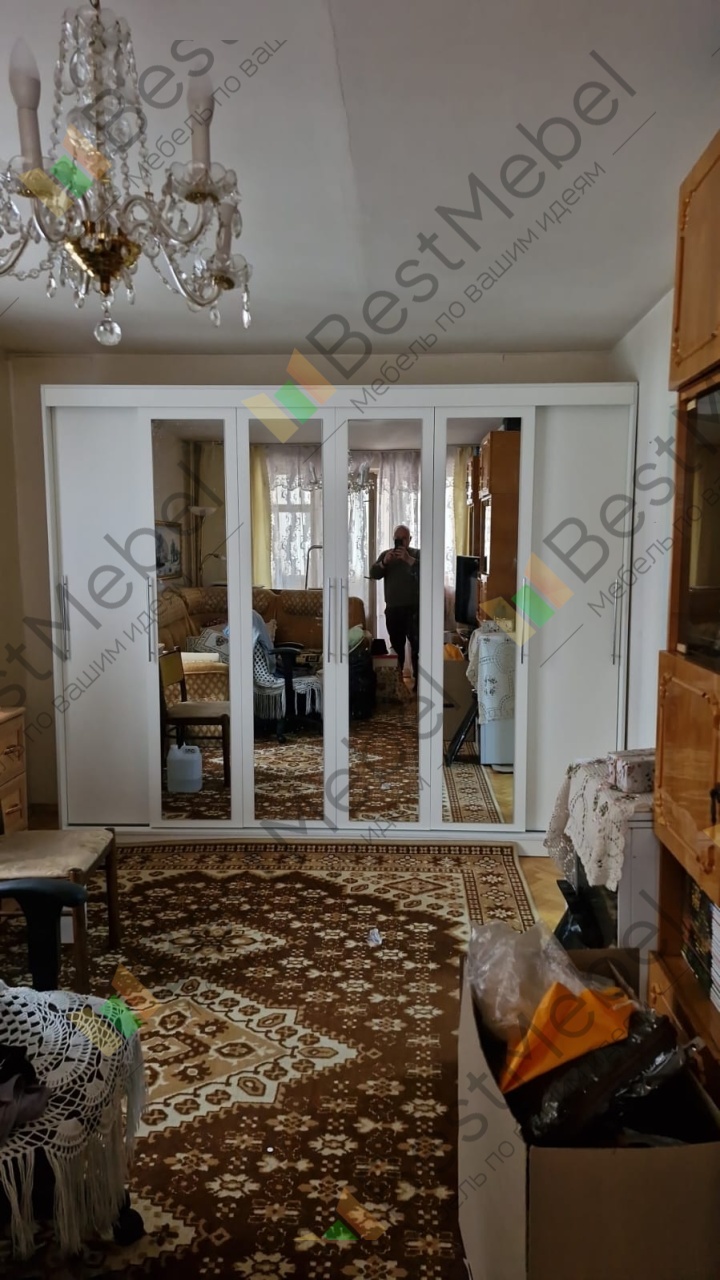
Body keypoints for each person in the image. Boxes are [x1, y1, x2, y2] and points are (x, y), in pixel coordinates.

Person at [369, 524, 419, 686]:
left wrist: (408, 560)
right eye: (398, 538)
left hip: (414, 609)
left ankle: (419, 685)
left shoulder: (416, 554)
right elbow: (374, 574)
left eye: (404, 538)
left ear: (410, 539)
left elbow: (427, 572)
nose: (401, 541)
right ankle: (397, 685)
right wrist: (384, 563)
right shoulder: (387, 555)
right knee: (397, 648)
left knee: (417, 648)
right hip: (393, 609)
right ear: (393, 539)